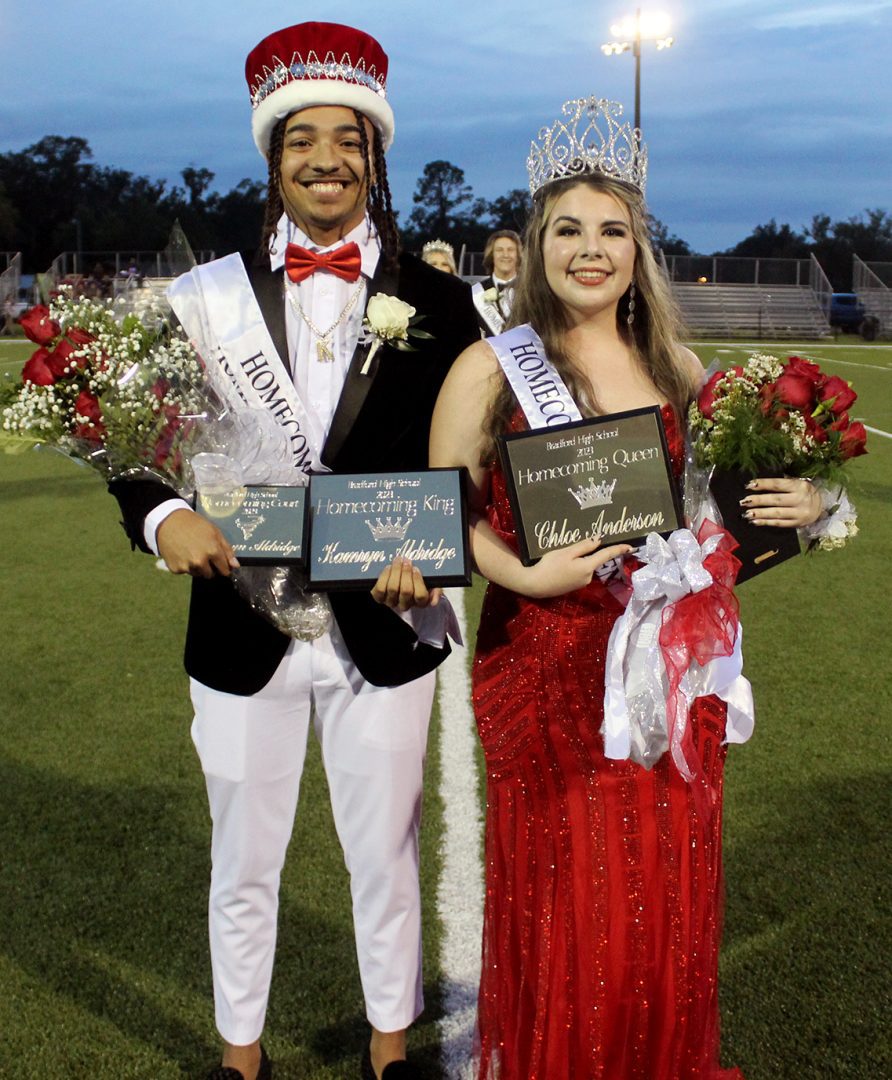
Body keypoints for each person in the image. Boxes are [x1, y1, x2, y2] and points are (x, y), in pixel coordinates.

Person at [109, 21, 479, 1080]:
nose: (325, 159)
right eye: (301, 138)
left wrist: (435, 555)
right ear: (271, 157)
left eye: (347, 139)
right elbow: (132, 435)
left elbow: (473, 464)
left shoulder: (449, 306)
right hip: (238, 617)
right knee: (242, 862)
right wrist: (158, 515)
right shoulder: (203, 303)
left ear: (376, 154)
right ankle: (240, 1059)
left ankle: (390, 1051)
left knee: (387, 859)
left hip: (387, 622)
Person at [430, 97, 824, 1078]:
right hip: (542, 665)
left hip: (665, 676)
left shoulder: (679, 367)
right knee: (570, 903)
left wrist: (806, 502)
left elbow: (744, 491)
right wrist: (516, 567)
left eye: (613, 231)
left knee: (657, 893)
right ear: (536, 245)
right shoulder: (488, 369)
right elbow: (440, 512)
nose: (590, 250)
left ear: (637, 250)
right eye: (568, 229)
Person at [472, 229, 521, 335]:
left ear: (518, 255)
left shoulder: (531, 289)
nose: (505, 255)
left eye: (510, 250)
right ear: (491, 255)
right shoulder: (475, 293)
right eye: (499, 250)